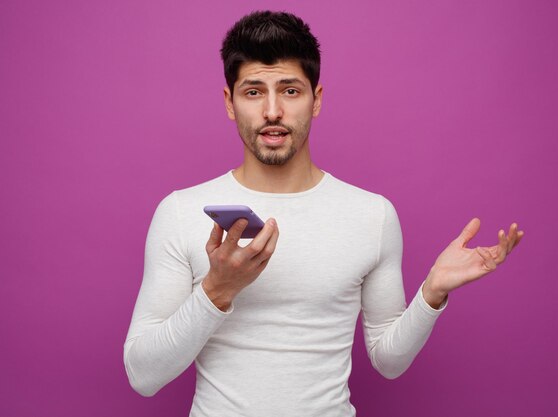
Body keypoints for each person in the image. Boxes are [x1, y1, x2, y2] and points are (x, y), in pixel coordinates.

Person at [123, 10, 524, 417]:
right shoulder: (181, 212)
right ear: (230, 103)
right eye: (254, 91)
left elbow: (389, 361)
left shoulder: (372, 216)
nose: (273, 111)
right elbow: (143, 375)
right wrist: (216, 291)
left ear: (317, 99)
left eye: (291, 91)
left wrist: (432, 293)